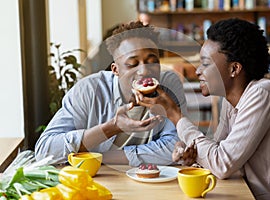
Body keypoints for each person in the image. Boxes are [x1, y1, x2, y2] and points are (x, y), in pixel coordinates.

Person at [136, 18, 270, 199]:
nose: (198, 71)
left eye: (205, 63)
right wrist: (194, 156)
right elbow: (218, 153)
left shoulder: (262, 94)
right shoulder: (230, 102)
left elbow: (223, 164)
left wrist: (175, 115)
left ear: (234, 68)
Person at [35, 21, 188, 167]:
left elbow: (175, 147)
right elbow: (45, 150)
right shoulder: (88, 90)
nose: (144, 71)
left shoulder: (169, 85)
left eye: (152, 61)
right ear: (115, 70)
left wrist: (99, 157)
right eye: (132, 64)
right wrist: (111, 128)